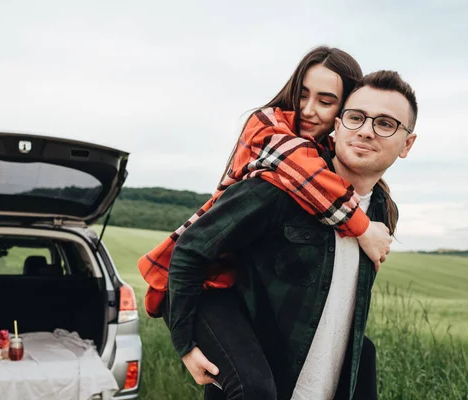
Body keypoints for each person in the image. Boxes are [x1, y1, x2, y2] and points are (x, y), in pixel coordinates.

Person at [139, 46, 387, 399]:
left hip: (232, 282)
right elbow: (300, 170)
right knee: (255, 390)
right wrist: (363, 227)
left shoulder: (335, 171)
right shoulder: (272, 131)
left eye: (325, 100)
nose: (308, 110)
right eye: (303, 94)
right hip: (207, 283)